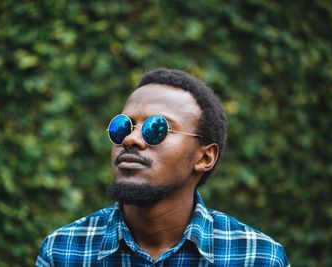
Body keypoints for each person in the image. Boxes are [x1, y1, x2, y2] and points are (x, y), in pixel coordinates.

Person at [36, 68, 289, 266]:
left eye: (157, 128)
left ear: (204, 158)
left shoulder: (257, 258)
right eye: (122, 126)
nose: (131, 139)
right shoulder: (63, 251)